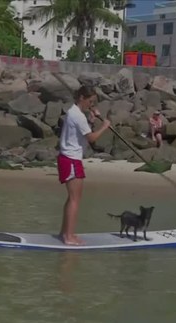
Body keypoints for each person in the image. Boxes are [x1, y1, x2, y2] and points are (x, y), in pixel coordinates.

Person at [57, 85, 111, 245]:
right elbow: (92, 138)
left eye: (93, 102)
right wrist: (104, 127)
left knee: (72, 199)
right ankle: (69, 237)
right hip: (71, 159)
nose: (91, 105)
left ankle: (64, 233)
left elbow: (81, 131)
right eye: (90, 101)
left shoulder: (73, 112)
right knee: (75, 200)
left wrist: (92, 120)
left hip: (68, 158)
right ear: (81, 98)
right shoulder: (77, 115)